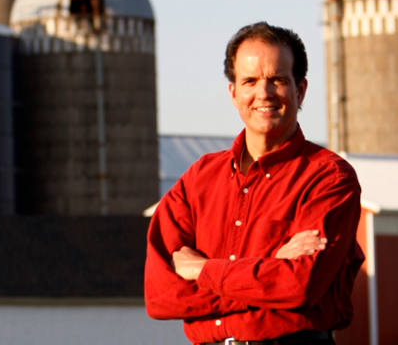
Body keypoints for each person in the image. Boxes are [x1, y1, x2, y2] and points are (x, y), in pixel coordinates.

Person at [144, 22, 364, 345]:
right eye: (250, 81)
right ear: (233, 92)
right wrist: (270, 270)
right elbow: (160, 295)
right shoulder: (199, 178)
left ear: (300, 90)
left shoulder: (329, 178)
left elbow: (301, 285)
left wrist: (204, 271)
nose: (264, 93)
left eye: (277, 80)